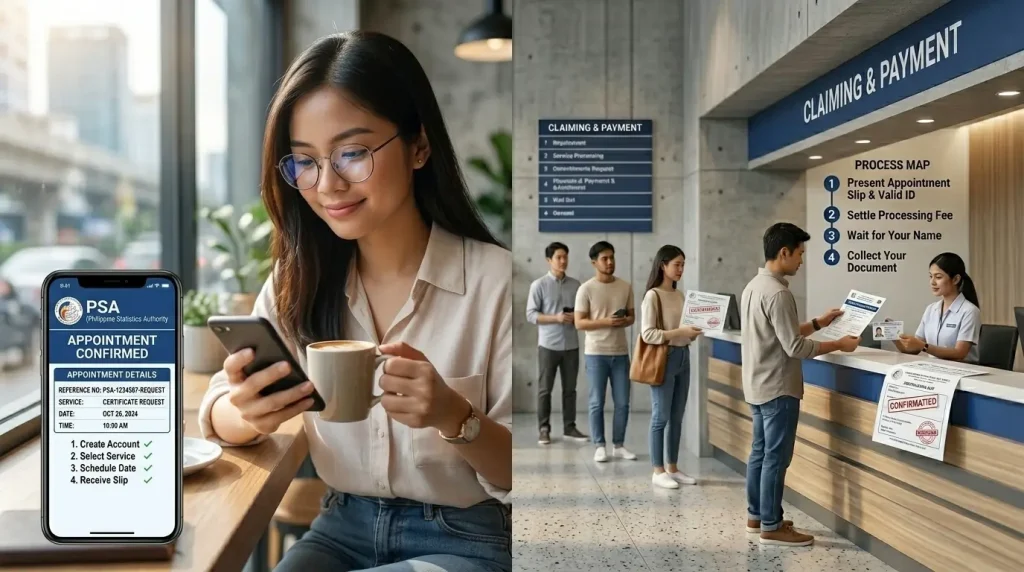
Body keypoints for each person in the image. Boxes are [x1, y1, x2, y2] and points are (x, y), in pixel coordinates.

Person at [197, 31, 511, 572]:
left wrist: (453, 415)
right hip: (341, 528)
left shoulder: (497, 283)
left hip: (470, 539)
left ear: (418, 146)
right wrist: (246, 411)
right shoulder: (300, 280)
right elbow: (221, 409)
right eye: (305, 161)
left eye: (352, 153)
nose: (327, 185)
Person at [740, 223, 859, 547]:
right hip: (778, 388)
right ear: (784, 252)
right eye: (800, 254)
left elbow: (781, 334)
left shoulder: (754, 287)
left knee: (760, 453)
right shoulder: (779, 293)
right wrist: (839, 344)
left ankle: (757, 516)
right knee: (776, 458)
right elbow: (794, 347)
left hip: (758, 385)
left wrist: (819, 323)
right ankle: (772, 526)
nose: (802, 261)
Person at [639, 245, 702, 489]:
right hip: (664, 358)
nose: (681, 269)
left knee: (677, 416)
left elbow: (683, 330)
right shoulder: (652, 296)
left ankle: (673, 468)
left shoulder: (680, 295)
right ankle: (658, 471)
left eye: (683, 264)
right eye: (677, 264)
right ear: (662, 265)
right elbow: (648, 334)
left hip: (684, 356)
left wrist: (690, 333)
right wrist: (679, 332)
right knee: (660, 416)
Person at [574, 241, 636, 463]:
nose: (610, 262)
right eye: (604, 259)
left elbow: (632, 317)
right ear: (594, 263)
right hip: (596, 353)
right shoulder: (586, 289)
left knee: (623, 403)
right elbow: (579, 323)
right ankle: (599, 445)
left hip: (621, 353)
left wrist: (623, 321)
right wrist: (606, 322)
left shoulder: (625, 287)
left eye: (612, 257)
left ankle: (618, 445)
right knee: (596, 402)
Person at [526, 242, 588, 445]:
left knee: (570, 390)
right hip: (548, 346)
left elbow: (583, 312)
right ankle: (544, 429)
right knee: (545, 390)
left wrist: (576, 317)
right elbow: (530, 315)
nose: (563, 261)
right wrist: (557, 318)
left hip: (571, 345)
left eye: (565, 257)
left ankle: (570, 428)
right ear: (549, 260)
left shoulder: (576, 285)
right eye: (559, 257)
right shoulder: (538, 285)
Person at [893, 252, 981, 363]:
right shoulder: (931, 309)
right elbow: (913, 349)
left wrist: (924, 346)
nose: (932, 282)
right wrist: (893, 335)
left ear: (955, 279)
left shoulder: (970, 311)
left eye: (938, 277)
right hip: (934, 369)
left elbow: (959, 353)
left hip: (961, 370)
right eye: (931, 276)